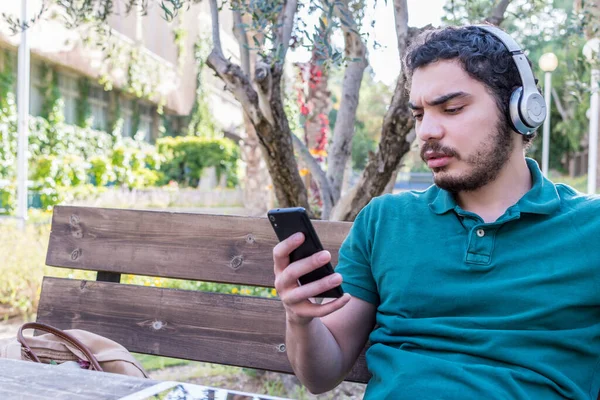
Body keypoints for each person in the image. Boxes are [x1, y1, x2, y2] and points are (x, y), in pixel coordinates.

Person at [272, 24, 600, 400]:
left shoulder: (590, 229)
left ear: (521, 109)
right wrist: (299, 317)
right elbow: (320, 376)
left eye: (452, 109)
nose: (427, 131)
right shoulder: (384, 221)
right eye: (418, 115)